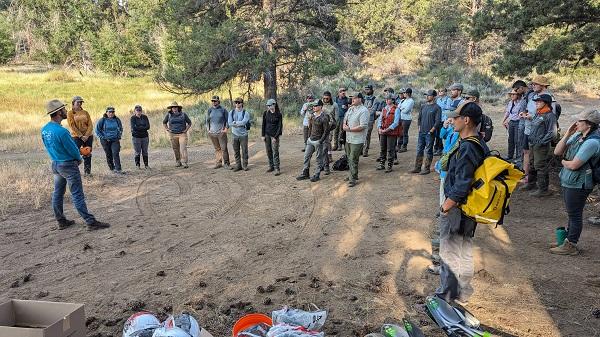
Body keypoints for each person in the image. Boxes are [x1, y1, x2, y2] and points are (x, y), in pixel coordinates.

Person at [437, 102, 489, 305]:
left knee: (450, 252)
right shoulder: (478, 142)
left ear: (466, 120)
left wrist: (446, 206)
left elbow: (462, 182)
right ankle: (463, 293)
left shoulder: (468, 147)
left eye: (456, 117)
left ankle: (446, 297)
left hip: (458, 208)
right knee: (464, 248)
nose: (453, 120)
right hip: (469, 208)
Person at [41, 99, 110, 230]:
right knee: (77, 194)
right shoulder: (62, 131)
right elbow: (72, 149)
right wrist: (79, 158)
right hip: (67, 165)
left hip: (56, 164)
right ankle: (90, 222)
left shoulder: (45, 130)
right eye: (63, 109)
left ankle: (61, 221)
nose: (65, 111)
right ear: (58, 112)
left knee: (58, 193)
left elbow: (47, 146)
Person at [551, 109, 600, 255]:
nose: (576, 123)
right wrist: (568, 134)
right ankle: (567, 240)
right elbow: (557, 152)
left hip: (580, 183)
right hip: (570, 180)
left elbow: (574, 165)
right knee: (572, 213)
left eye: (579, 121)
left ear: (589, 125)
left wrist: (564, 162)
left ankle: (571, 244)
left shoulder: (592, 142)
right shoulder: (579, 135)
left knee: (575, 214)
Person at [428, 115, 460, 275]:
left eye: (454, 118)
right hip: (445, 172)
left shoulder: (465, 141)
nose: (451, 120)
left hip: (452, 182)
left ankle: (447, 267)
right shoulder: (453, 132)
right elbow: (441, 137)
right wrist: (446, 126)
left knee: (449, 221)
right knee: (443, 199)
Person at [522, 94, 557, 197]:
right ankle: (531, 184)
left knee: (540, 166)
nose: (536, 103)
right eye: (536, 101)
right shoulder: (538, 113)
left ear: (545, 103)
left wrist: (542, 141)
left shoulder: (550, 115)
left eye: (539, 101)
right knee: (532, 164)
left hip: (541, 146)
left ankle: (543, 189)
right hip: (533, 143)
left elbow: (552, 133)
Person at [297, 100, 330, 182]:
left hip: (318, 141)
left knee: (318, 158)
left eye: (316, 106)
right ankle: (305, 173)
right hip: (311, 140)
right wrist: (308, 137)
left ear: (321, 107)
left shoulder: (324, 117)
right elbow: (310, 127)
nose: (314, 107)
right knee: (306, 156)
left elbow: (326, 131)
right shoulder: (312, 116)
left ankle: (317, 174)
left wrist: (321, 141)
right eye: (313, 106)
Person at [410, 90, 441, 175]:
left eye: (429, 95)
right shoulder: (423, 106)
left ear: (434, 97)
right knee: (419, 149)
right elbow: (419, 118)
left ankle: (426, 168)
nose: (427, 97)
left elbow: (438, 121)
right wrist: (419, 127)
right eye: (426, 95)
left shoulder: (437, 107)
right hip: (421, 132)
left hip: (429, 134)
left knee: (428, 150)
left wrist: (432, 130)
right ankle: (417, 167)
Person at [343, 92, 369, 187]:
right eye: (352, 98)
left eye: (354, 98)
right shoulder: (350, 109)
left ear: (360, 99)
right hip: (349, 138)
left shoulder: (364, 111)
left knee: (353, 157)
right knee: (349, 157)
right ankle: (353, 174)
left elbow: (363, 126)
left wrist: (349, 129)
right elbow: (345, 120)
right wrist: (344, 126)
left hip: (358, 139)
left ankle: (352, 178)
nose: (352, 100)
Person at [67, 96, 94, 176]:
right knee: (75, 153)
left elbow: (90, 125)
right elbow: (72, 126)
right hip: (76, 136)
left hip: (88, 136)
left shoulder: (85, 112)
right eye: (78, 102)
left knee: (87, 153)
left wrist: (86, 135)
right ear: (73, 103)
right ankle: (74, 172)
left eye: (81, 102)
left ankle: (87, 172)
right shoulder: (70, 113)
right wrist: (81, 136)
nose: (79, 103)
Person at [376, 93, 401, 173]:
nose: (386, 100)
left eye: (388, 99)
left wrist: (386, 130)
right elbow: (380, 120)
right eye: (386, 99)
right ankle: (382, 164)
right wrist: (379, 128)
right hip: (383, 131)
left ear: (392, 100)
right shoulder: (384, 109)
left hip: (391, 132)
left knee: (390, 149)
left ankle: (390, 165)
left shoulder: (396, 109)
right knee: (383, 148)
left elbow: (396, 123)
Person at [163, 101, 192, 168]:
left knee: (183, 148)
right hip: (173, 134)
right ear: (171, 108)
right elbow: (164, 122)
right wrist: (167, 129)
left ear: (178, 108)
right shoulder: (169, 115)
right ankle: (178, 161)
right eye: (173, 107)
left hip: (182, 134)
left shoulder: (183, 114)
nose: (174, 109)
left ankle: (185, 162)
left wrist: (186, 130)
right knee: (175, 148)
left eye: (175, 107)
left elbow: (189, 123)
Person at [95, 106, 123, 174]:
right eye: (110, 112)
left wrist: (119, 135)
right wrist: (103, 137)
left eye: (113, 112)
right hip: (105, 140)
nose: (111, 113)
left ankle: (118, 169)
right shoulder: (102, 120)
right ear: (106, 112)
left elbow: (121, 128)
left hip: (115, 139)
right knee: (108, 154)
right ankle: (112, 168)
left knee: (115, 153)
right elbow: (97, 130)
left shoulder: (117, 119)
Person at [207, 95, 231, 169]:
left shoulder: (223, 110)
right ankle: (219, 162)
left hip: (221, 133)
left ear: (218, 101)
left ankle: (226, 164)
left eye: (215, 101)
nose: (213, 102)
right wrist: (208, 129)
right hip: (212, 133)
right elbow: (207, 121)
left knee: (224, 148)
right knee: (217, 148)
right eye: (212, 101)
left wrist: (226, 128)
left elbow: (228, 120)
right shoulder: (210, 110)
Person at [228, 97, 251, 172]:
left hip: (243, 135)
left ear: (242, 104)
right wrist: (237, 123)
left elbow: (244, 122)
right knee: (236, 151)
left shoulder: (245, 113)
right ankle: (238, 165)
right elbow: (230, 123)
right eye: (236, 102)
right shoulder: (231, 112)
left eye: (239, 102)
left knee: (244, 150)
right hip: (234, 134)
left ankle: (245, 165)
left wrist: (235, 123)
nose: (237, 104)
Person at [262, 98, 283, 176]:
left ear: (274, 105)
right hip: (267, 134)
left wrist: (275, 137)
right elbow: (263, 124)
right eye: (268, 105)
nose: (269, 107)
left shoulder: (278, 114)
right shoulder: (266, 113)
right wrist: (262, 135)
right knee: (268, 151)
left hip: (274, 136)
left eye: (270, 105)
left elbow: (280, 127)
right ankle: (271, 166)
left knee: (275, 151)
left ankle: (277, 168)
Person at [502, 89, 524, 161]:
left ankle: (518, 157)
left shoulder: (521, 103)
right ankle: (510, 155)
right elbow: (508, 112)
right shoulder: (510, 102)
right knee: (510, 139)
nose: (512, 95)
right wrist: (504, 120)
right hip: (511, 122)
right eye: (511, 94)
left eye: (514, 94)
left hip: (518, 122)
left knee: (517, 140)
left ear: (518, 95)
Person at [321, 91, 338, 173]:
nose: (325, 99)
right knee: (323, 143)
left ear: (330, 97)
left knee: (328, 142)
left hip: (331, 126)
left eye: (327, 98)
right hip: (321, 127)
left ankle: (329, 156)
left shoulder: (334, 105)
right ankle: (324, 159)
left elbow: (336, 117)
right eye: (324, 98)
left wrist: (334, 125)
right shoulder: (321, 103)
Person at [130, 105, 150, 169]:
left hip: (145, 136)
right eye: (137, 110)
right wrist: (143, 128)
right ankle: (137, 165)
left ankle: (146, 165)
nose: (139, 112)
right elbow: (134, 127)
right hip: (136, 137)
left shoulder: (145, 117)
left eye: (140, 110)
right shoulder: (133, 118)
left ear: (141, 111)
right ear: (135, 111)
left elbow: (148, 126)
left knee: (145, 151)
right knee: (137, 151)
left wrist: (139, 127)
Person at [434, 88, 453, 156]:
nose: (440, 92)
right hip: (438, 119)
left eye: (441, 91)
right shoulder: (438, 99)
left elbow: (448, 110)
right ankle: (436, 147)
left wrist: (447, 120)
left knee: (442, 135)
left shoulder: (448, 99)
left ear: (445, 92)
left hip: (444, 119)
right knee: (437, 134)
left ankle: (440, 149)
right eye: (439, 91)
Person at [362, 84, 379, 157]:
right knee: (362, 135)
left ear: (372, 90)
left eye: (368, 89)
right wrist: (367, 109)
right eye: (366, 89)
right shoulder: (363, 98)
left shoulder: (375, 99)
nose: (367, 91)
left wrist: (365, 110)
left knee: (367, 135)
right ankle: (361, 150)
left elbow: (373, 111)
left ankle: (365, 150)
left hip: (370, 120)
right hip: (362, 119)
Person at [396, 88, 415, 153]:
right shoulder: (403, 100)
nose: (403, 94)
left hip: (407, 119)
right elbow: (398, 108)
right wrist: (402, 108)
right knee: (400, 132)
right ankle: (399, 145)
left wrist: (401, 109)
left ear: (408, 93)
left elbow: (406, 111)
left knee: (404, 132)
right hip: (401, 118)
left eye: (404, 93)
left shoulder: (411, 101)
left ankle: (404, 146)